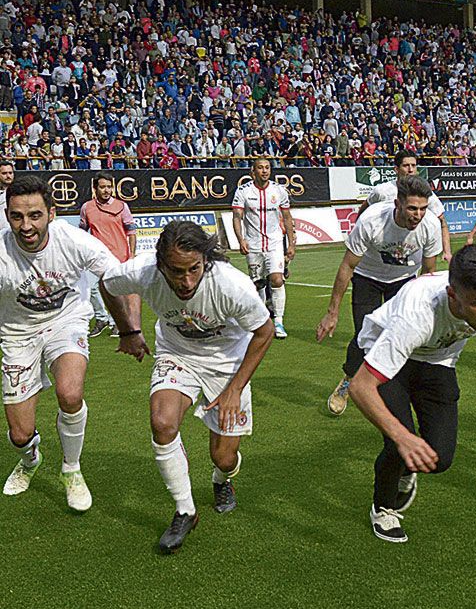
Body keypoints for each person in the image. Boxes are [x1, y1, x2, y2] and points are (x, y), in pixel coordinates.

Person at [101, 221, 274, 553]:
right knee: (162, 423)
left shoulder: (231, 285)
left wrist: (235, 389)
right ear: (160, 264)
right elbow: (107, 284)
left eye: (194, 269)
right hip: (177, 354)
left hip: (228, 364)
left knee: (224, 458)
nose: (186, 281)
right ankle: (185, 510)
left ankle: (222, 482)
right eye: (176, 271)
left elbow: (264, 333)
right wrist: (128, 331)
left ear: (205, 260)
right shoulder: (143, 271)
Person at [348, 246, 476, 543]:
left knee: (439, 459)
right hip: (384, 353)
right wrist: (402, 437)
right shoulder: (416, 316)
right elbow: (361, 387)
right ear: (453, 295)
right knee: (399, 440)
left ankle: (406, 468)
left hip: (437, 361)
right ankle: (384, 507)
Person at [1, 176, 128, 513]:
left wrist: (130, 331)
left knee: (70, 393)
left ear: (52, 214)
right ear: (7, 214)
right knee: (19, 434)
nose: (26, 226)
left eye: (35, 215)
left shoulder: (74, 241)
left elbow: (115, 279)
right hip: (17, 334)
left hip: (65, 322)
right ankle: (30, 459)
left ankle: (71, 469)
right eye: (16, 216)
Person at [318, 176, 443, 416]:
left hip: (405, 282)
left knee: (403, 334)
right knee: (365, 335)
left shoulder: (430, 226)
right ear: (398, 203)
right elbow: (347, 266)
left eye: (423, 209)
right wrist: (331, 313)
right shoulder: (372, 220)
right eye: (412, 208)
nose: (418, 215)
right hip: (368, 279)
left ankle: (395, 388)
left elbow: (429, 273)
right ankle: (348, 380)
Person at [231, 158, 295, 339]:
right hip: (253, 244)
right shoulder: (243, 191)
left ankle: (279, 321)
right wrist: (240, 239)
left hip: (274, 243)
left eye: (267, 168)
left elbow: (287, 217)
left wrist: (291, 244)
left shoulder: (279, 190)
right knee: (258, 283)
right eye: (260, 168)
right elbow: (237, 216)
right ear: (253, 171)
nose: (264, 171)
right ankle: (263, 321)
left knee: (276, 279)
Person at [366, 150, 452, 264]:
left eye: (413, 166)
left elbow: (442, 222)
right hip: (380, 252)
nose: (411, 170)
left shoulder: (425, 193)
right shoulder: (382, 191)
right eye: (406, 166)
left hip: (410, 256)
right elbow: (365, 211)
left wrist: (447, 251)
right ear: (396, 169)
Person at [78, 172, 137, 337]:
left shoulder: (122, 206)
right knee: (90, 288)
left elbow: (131, 232)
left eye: (109, 187)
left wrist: (132, 255)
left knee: (115, 290)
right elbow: (81, 232)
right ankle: (101, 318)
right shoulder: (86, 207)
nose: (106, 190)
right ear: (95, 188)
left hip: (119, 255)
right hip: (95, 256)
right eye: (102, 187)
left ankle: (116, 322)